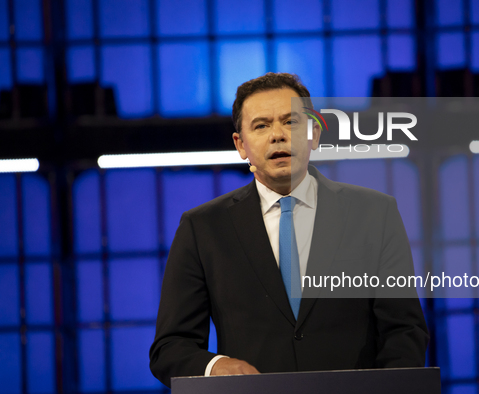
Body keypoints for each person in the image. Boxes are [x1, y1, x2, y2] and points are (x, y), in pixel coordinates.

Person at [149, 73, 429, 387]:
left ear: (314, 135)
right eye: (261, 125)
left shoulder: (374, 213)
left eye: (290, 122)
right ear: (240, 145)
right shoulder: (202, 228)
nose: (278, 135)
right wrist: (214, 366)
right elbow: (170, 347)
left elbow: (405, 331)